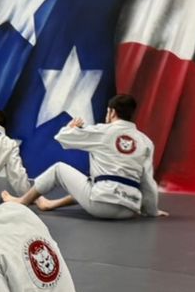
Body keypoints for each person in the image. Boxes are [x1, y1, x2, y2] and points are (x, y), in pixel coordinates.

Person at [12, 94, 165, 220]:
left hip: (101, 205)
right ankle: (51, 204)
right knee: (91, 181)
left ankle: (23, 201)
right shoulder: (145, 141)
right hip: (129, 209)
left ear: (111, 112)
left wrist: (71, 127)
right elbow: (147, 181)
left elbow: (62, 137)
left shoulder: (102, 131)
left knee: (59, 169)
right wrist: (152, 211)